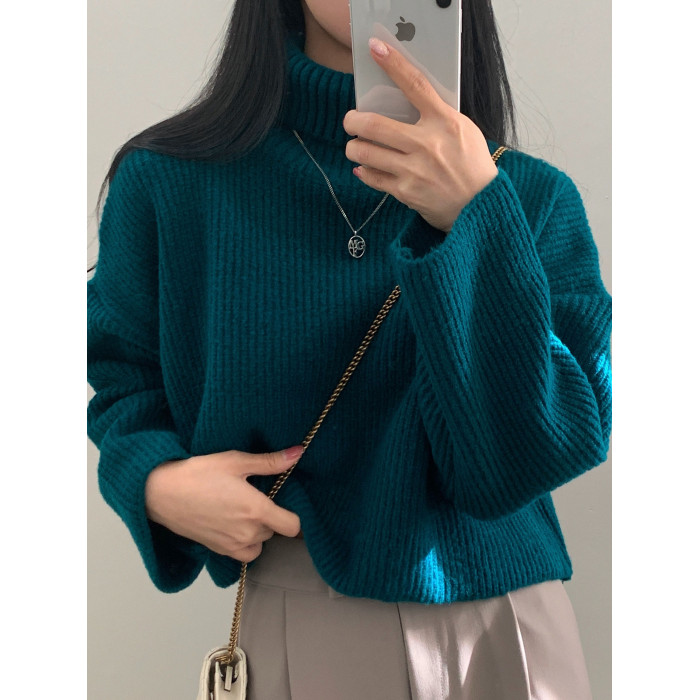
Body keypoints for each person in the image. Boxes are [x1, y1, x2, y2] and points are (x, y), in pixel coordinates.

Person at [87, 1, 612, 698]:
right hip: (301, 619)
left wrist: (475, 218)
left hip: (507, 631)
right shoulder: (170, 183)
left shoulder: (530, 199)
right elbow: (124, 381)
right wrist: (154, 482)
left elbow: (530, 456)